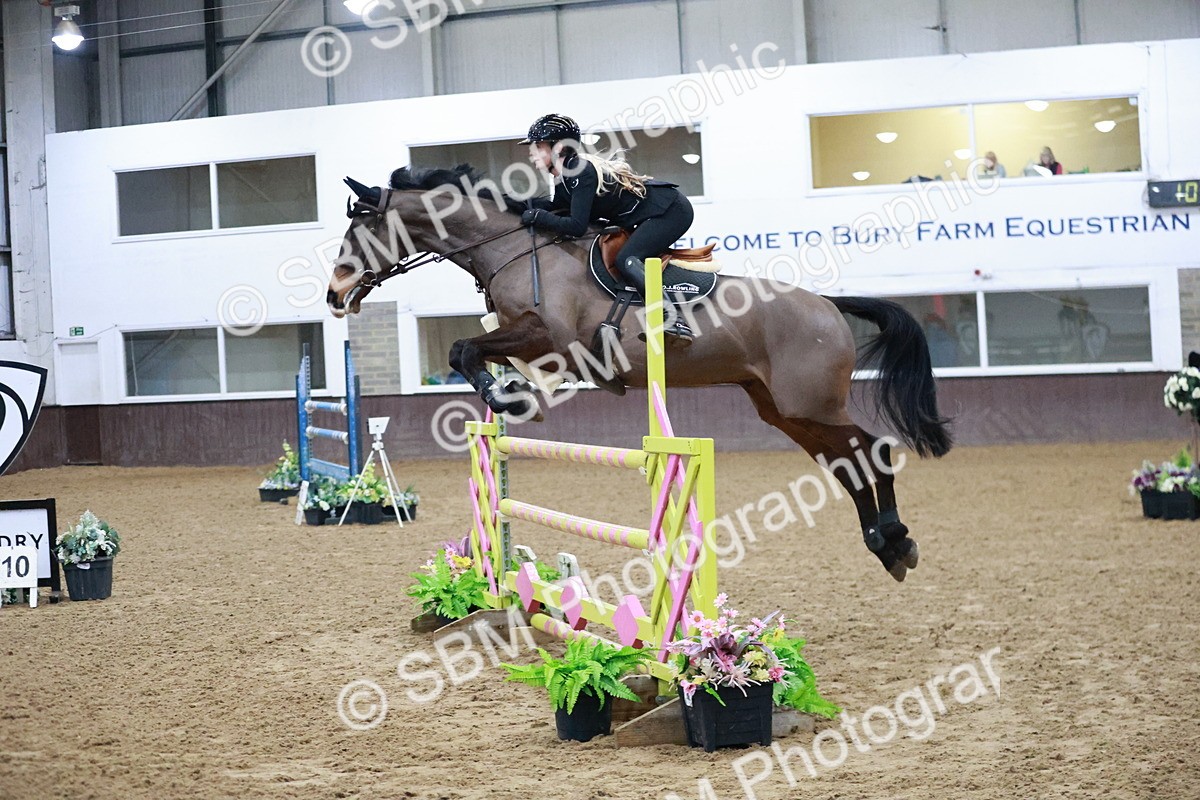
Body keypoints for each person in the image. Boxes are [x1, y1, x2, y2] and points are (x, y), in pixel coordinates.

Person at [518, 113, 696, 346]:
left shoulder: (580, 170)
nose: (531, 153)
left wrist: (538, 217)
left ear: (558, 147)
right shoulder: (564, 177)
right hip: (648, 214)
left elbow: (576, 226)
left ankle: (672, 319)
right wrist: (515, 205)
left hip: (670, 210)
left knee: (627, 259)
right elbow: (556, 210)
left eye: (538, 146)